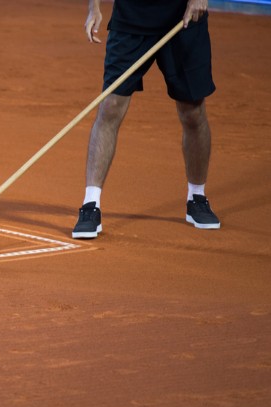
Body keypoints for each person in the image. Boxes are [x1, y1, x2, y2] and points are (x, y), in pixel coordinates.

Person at [72, 0, 221, 239]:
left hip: (183, 19)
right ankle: (91, 205)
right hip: (131, 19)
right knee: (110, 106)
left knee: (192, 111)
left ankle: (197, 197)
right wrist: (94, 7)